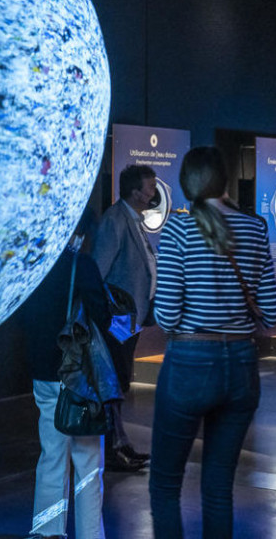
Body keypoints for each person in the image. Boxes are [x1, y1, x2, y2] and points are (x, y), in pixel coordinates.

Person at [149, 146, 276, 539]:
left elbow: (168, 315)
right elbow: (272, 313)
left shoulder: (177, 229)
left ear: (186, 182)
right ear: (224, 179)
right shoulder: (255, 228)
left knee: (165, 485)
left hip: (190, 363)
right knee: (219, 488)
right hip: (241, 365)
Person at [22, 209, 112, 539]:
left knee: (51, 455)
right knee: (88, 461)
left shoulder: (36, 265)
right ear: (82, 233)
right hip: (79, 377)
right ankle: (90, 535)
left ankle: (47, 532)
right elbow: (100, 317)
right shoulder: (82, 266)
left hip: (44, 372)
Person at [92, 164, 158, 471]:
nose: (153, 193)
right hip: (117, 319)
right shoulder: (115, 220)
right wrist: (111, 316)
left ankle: (120, 444)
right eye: (149, 187)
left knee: (119, 382)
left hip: (129, 318)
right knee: (114, 381)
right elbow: (98, 273)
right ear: (135, 192)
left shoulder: (134, 220)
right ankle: (114, 448)